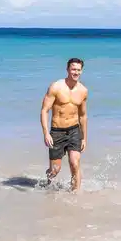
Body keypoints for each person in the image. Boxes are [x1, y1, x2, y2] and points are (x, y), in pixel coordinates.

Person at [40, 57, 88, 191]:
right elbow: (44, 110)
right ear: (67, 69)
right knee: (55, 170)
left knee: (75, 163)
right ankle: (48, 182)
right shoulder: (56, 87)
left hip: (74, 130)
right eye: (73, 69)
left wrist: (84, 137)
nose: (76, 72)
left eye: (78, 70)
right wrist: (46, 134)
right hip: (57, 132)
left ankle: (75, 194)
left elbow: (83, 115)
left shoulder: (83, 91)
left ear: (81, 71)